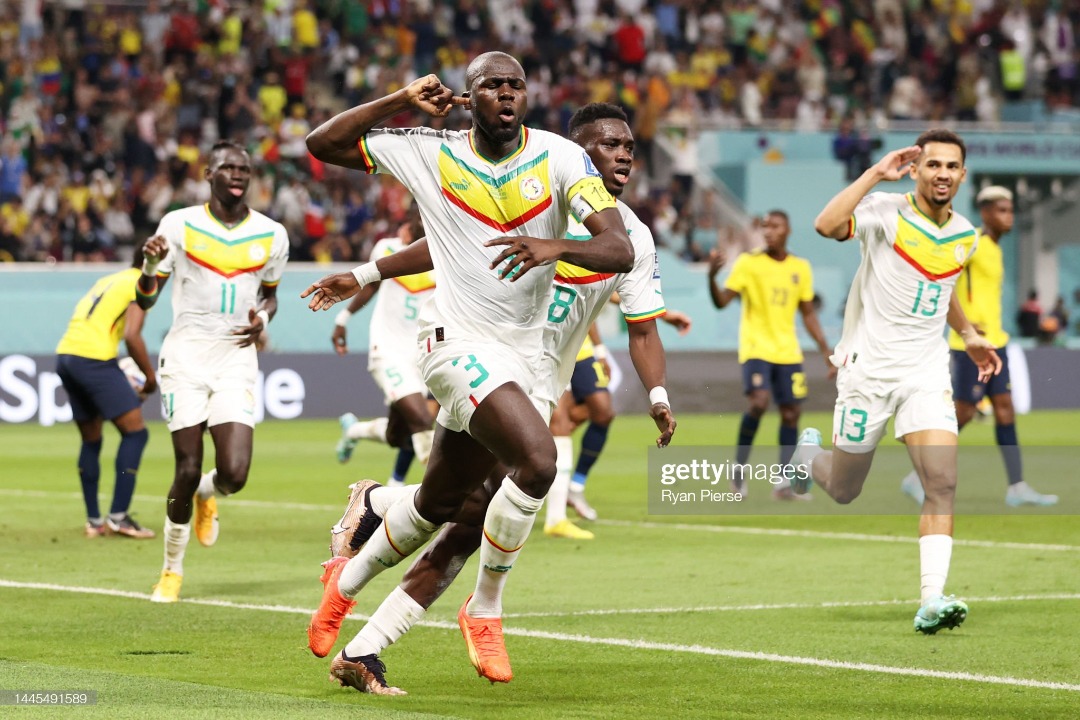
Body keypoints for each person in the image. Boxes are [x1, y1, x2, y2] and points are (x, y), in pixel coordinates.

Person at [312, 102, 676, 695]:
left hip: (538, 380)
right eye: (609, 145)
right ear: (575, 153)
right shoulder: (529, 190)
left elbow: (642, 326)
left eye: (629, 146)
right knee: (526, 471)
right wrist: (368, 273)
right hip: (483, 360)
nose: (624, 154)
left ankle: (364, 636)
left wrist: (658, 393)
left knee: (456, 512)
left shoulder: (629, 235)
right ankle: (481, 606)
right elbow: (446, 247)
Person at [793, 129, 1001, 634]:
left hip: (926, 373)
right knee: (844, 490)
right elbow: (825, 225)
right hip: (868, 372)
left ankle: (931, 598)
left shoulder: (966, 235)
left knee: (942, 482)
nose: (943, 174)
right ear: (916, 170)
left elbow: (942, 284)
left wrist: (970, 334)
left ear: (963, 174)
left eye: (952, 166)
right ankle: (807, 458)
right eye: (933, 165)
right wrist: (873, 174)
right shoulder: (886, 211)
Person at [136, 140, 290, 603]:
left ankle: (210, 494)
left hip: (235, 355)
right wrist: (147, 262)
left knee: (236, 473)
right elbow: (146, 297)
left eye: (244, 168)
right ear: (208, 173)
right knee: (186, 465)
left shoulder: (272, 234)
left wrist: (263, 319)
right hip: (185, 354)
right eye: (227, 167)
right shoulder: (178, 225)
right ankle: (171, 570)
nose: (237, 174)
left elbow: (270, 296)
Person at [900, 186, 1057, 507]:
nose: (1008, 216)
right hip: (968, 346)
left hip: (996, 344)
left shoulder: (996, 249)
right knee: (965, 413)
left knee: (1005, 410)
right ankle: (917, 475)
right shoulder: (970, 242)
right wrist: (967, 326)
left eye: (1010, 210)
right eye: (1001, 210)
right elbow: (941, 281)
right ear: (985, 213)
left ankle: (1017, 487)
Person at [707, 210, 832, 499]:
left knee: (791, 413)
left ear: (788, 230)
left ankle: (784, 481)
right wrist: (712, 279)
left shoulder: (801, 267)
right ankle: (738, 471)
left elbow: (808, 313)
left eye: (775, 226)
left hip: (788, 351)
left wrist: (825, 349)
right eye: (765, 227)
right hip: (756, 348)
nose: (769, 231)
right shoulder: (748, 264)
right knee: (759, 403)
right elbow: (721, 302)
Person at [55, 242, 157, 539]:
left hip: (67, 355)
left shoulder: (110, 279)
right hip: (95, 359)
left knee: (92, 439)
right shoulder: (141, 284)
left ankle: (94, 521)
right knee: (136, 433)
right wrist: (150, 378)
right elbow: (132, 336)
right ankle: (119, 517)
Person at [331, 204, 435, 487]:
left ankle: (354, 430)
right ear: (412, 217)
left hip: (424, 354)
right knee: (423, 422)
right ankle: (442, 503)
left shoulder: (446, 252)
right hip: (388, 350)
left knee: (397, 436)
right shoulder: (386, 248)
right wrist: (343, 318)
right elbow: (370, 285)